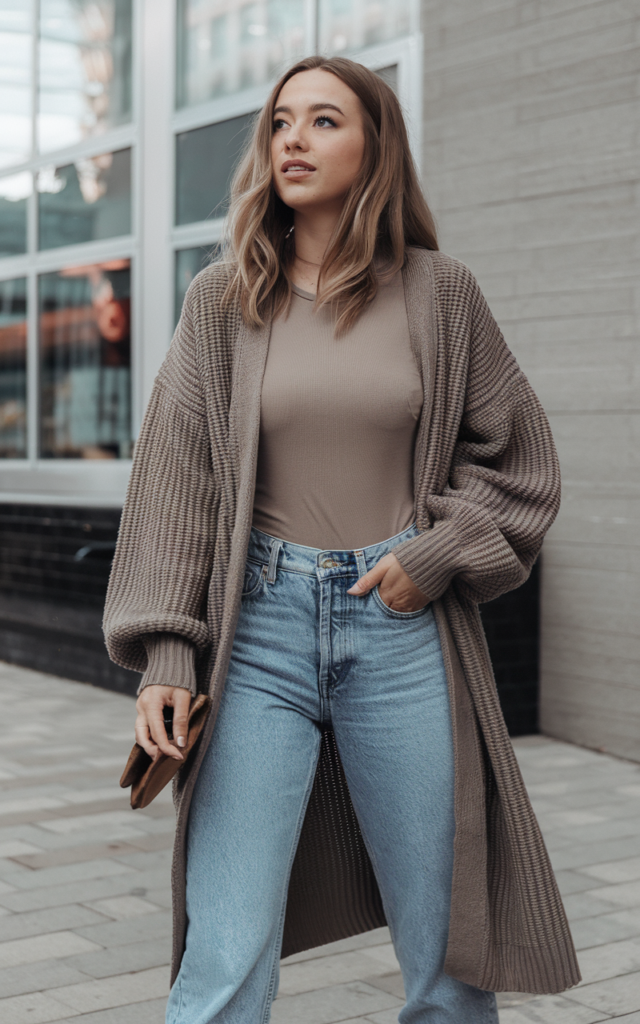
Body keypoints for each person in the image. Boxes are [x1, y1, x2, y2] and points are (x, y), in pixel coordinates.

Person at [104, 55, 580, 1024]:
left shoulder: (440, 294)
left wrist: (433, 553)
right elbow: (176, 485)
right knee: (224, 949)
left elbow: (522, 464)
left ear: (374, 147)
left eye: (324, 121)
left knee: (445, 951)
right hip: (259, 637)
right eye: (282, 120)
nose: (293, 139)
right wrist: (167, 651)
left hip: (402, 627)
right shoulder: (220, 301)